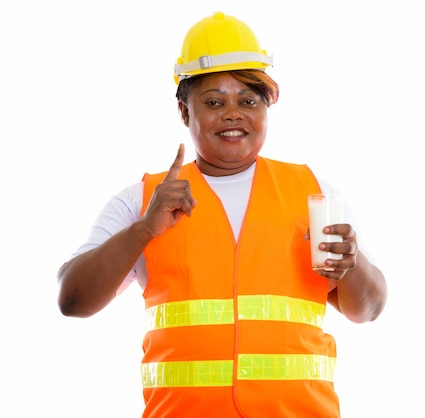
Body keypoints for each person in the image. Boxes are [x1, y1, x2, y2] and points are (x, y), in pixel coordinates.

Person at [57, 11, 387, 418]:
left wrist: (350, 268)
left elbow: (368, 310)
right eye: (214, 102)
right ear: (184, 112)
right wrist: (143, 231)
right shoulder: (143, 199)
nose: (233, 113)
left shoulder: (314, 193)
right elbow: (72, 300)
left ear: (268, 107)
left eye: (248, 101)